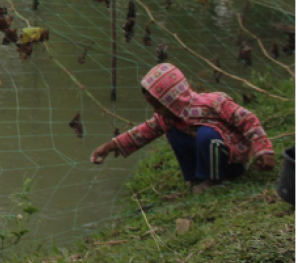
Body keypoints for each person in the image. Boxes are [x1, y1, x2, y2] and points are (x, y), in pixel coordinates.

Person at [92, 63, 275, 193]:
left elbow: (247, 120)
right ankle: (195, 177)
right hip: (210, 156)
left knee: (206, 135)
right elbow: (143, 132)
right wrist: (109, 147)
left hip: (232, 162)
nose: (156, 111)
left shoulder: (213, 103)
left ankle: (214, 181)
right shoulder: (169, 117)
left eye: (159, 106)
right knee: (174, 134)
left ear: (173, 100)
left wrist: (263, 149)